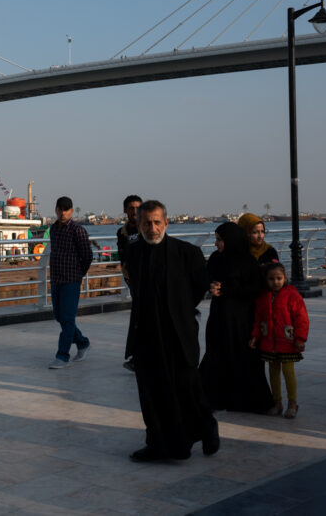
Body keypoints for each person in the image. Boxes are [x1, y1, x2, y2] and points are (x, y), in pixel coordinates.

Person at [122, 200, 219, 461]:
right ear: (139, 224)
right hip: (146, 333)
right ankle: (159, 443)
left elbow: (199, 287)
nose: (152, 228)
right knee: (151, 391)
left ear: (166, 223)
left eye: (156, 222)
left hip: (179, 334)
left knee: (186, 387)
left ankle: (206, 427)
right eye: (146, 223)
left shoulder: (187, 253)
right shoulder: (133, 253)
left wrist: (179, 310)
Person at [199, 222, 275, 413]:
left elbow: (253, 289)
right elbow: (207, 277)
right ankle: (211, 398)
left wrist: (226, 290)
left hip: (241, 318)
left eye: (219, 240)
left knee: (243, 357)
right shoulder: (217, 258)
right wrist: (212, 286)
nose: (216, 244)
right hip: (219, 315)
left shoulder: (247, 262)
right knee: (216, 353)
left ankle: (245, 401)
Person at [250, 263, 309, 418]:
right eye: (271, 279)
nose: (275, 282)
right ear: (265, 280)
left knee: (288, 372)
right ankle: (277, 403)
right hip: (269, 343)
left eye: (279, 278)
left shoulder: (292, 295)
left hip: (288, 342)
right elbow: (258, 319)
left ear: (285, 278)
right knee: (273, 373)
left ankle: (292, 403)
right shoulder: (263, 298)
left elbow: (301, 318)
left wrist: (300, 338)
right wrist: (255, 336)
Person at [47, 196, 93, 369]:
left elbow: (87, 255)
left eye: (66, 209)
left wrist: (79, 273)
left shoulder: (78, 230)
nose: (63, 212)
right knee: (60, 316)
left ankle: (62, 355)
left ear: (71, 211)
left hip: (71, 280)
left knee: (67, 318)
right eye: (60, 209)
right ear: (56, 210)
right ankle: (82, 343)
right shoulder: (53, 229)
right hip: (56, 279)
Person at [117, 194, 142, 371]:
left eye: (137, 207)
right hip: (134, 284)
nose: (134, 211)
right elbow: (123, 258)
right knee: (139, 320)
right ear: (125, 210)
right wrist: (128, 279)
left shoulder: (148, 228)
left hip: (150, 282)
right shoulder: (122, 233)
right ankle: (137, 357)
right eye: (131, 208)